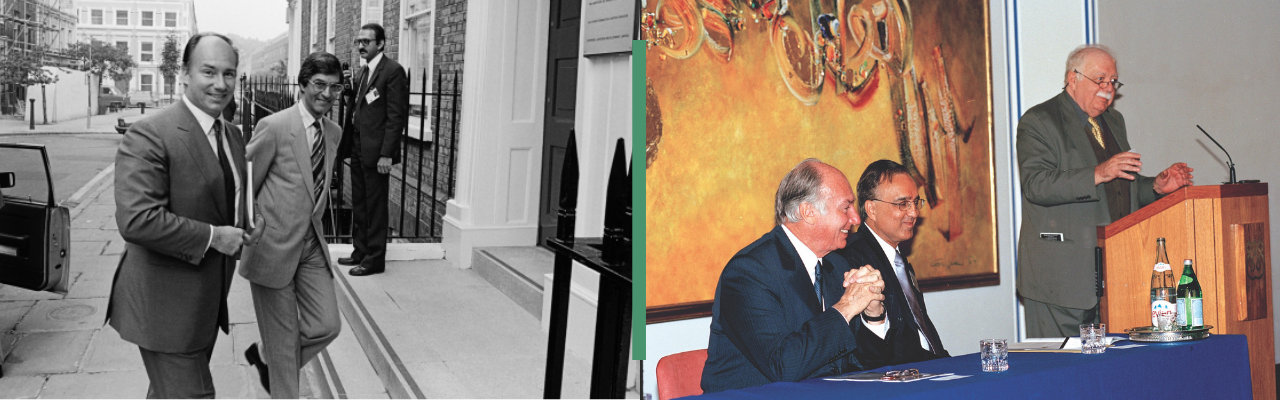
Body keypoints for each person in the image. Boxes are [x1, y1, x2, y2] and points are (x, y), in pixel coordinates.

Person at [108, 33, 250, 398]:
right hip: (165, 310)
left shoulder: (232, 134)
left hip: (206, 305)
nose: (220, 84)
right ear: (185, 73)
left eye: (229, 74)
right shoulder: (151, 134)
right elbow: (138, 219)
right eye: (209, 72)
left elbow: (228, 202)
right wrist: (215, 237)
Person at [1016, 44, 1194, 337]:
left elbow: (1120, 187)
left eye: (1113, 81)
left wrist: (1157, 186)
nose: (1108, 88)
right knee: (1061, 374)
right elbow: (1036, 184)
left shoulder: (1113, 121)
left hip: (1111, 273)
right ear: (1072, 79)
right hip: (1059, 280)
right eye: (1100, 79)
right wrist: (1098, 172)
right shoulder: (1040, 121)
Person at [701, 158, 888, 393]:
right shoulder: (748, 273)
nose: (856, 219)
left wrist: (872, 315)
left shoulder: (837, 265)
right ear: (808, 212)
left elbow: (859, 364)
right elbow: (783, 366)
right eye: (846, 207)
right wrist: (847, 307)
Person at [240, 52, 344, 397]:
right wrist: (252, 231)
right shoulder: (274, 127)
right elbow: (245, 186)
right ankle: (278, 364)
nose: (327, 94)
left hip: (311, 245)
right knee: (285, 344)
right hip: (273, 247)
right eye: (319, 85)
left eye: (334, 87)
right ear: (302, 85)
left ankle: (266, 355)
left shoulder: (334, 132)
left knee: (327, 324)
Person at [835, 159, 950, 368]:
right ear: (871, 209)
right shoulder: (852, 261)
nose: (914, 212)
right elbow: (877, 346)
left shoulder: (898, 260)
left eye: (916, 202)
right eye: (903, 204)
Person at [337, 22, 409, 276]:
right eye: (359, 41)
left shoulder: (393, 72)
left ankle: (375, 259)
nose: (360, 46)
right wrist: (348, 91)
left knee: (375, 205)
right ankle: (360, 251)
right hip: (357, 146)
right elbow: (358, 107)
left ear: (380, 44)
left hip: (377, 152)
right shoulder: (362, 73)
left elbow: (395, 117)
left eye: (366, 41)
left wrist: (387, 154)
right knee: (359, 202)